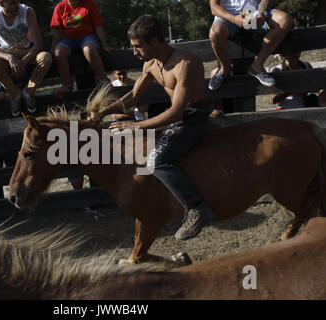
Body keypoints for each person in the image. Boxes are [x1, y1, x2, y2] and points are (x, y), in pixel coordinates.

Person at [91, 15, 216, 240]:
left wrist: (135, 125)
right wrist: (104, 111)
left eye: (138, 46)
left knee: (156, 161)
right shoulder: (150, 63)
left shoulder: (184, 64)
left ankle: (197, 207)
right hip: (175, 116)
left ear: (155, 42)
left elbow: (178, 111)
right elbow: (133, 97)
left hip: (192, 117)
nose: (135, 52)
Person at [0, 0, 52, 116]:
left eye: (17, 1)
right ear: (1, 3)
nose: (16, 6)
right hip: (7, 52)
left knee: (45, 58)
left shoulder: (28, 11)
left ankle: (28, 92)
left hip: (27, 50)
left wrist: (23, 62)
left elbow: (38, 43)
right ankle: (14, 94)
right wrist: (10, 58)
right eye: (11, 3)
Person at [208, 0, 293, 90]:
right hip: (227, 17)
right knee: (215, 32)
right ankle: (224, 68)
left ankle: (257, 65)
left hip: (252, 13)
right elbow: (214, 7)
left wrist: (262, 12)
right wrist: (234, 19)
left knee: (285, 20)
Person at [50, 0, 113, 99]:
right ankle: (67, 84)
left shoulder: (89, 4)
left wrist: (104, 45)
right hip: (69, 39)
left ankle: (103, 79)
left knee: (88, 49)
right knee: (59, 52)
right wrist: (52, 50)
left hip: (87, 36)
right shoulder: (60, 7)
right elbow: (58, 32)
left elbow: (98, 26)